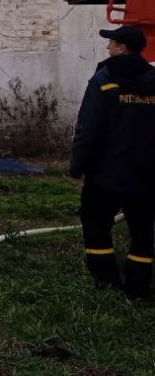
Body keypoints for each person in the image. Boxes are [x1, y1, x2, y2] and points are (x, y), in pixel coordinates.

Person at [70, 25, 155, 299]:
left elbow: (88, 128)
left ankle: (107, 281)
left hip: (105, 174)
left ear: (121, 47)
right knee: (143, 231)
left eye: (112, 43)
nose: (108, 46)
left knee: (96, 224)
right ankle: (138, 287)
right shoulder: (153, 79)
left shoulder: (103, 80)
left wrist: (77, 166)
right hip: (146, 175)